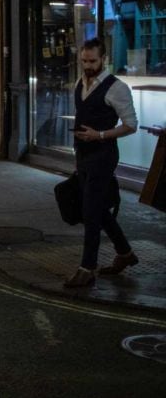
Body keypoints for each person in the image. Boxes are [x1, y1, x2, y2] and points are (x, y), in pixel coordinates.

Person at [64, 38, 140, 288]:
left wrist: (100, 135)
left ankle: (87, 268)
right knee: (96, 208)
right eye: (84, 61)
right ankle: (125, 253)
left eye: (92, 61)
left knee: (90, 212)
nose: (87, 65)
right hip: (83, 154)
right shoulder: (79, 82)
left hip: (103, 155)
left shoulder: (116, 88)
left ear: (104, 59)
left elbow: (131, 125)